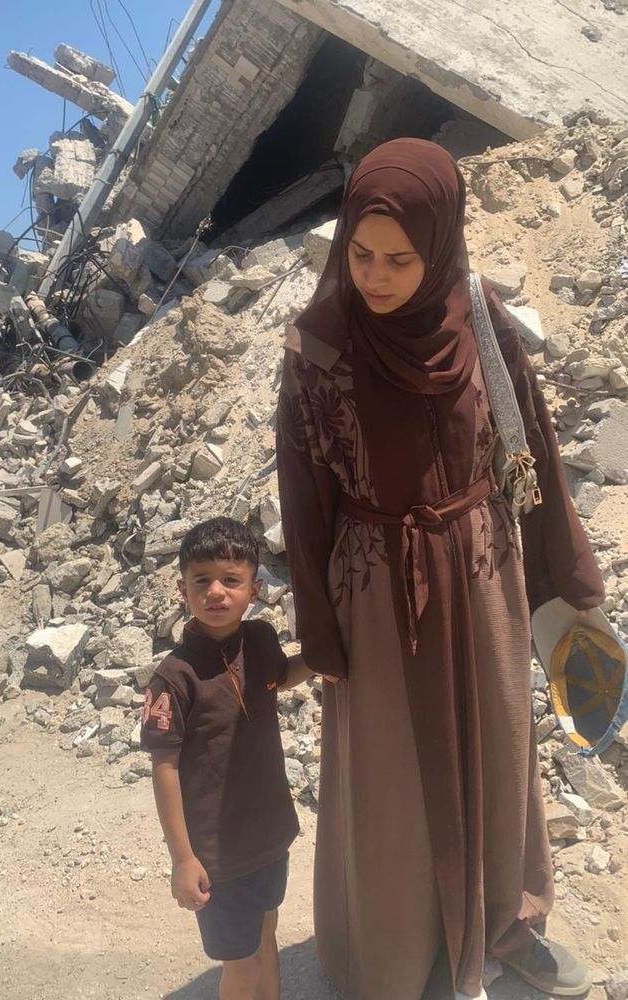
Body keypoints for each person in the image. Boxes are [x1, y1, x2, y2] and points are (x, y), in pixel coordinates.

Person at [276, 139, 605, 1000]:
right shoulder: (319, 351)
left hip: (483, 566)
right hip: (375, 589)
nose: (376, 277)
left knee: (499, 750)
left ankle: (508, 924)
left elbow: (531, 440)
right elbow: (303, 499)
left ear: (442, 244)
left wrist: (568, 573)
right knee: (389, 780)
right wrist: (320, 631)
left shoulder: (478, 316)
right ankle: (394, 956)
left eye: (400, 259)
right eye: (360, 254)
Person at [141, 517, 313, 1000]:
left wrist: (323, 660)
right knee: (241, 964)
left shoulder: (259, 639)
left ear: (255, 589)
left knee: (267, 936)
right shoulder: (174, 677)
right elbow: (164, 767)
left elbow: (280, 677)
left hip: (269, 836)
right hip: (220, 855)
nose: (216, 592)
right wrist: (182, 858)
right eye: (202, 581)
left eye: (231, 580)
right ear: (183, 590)